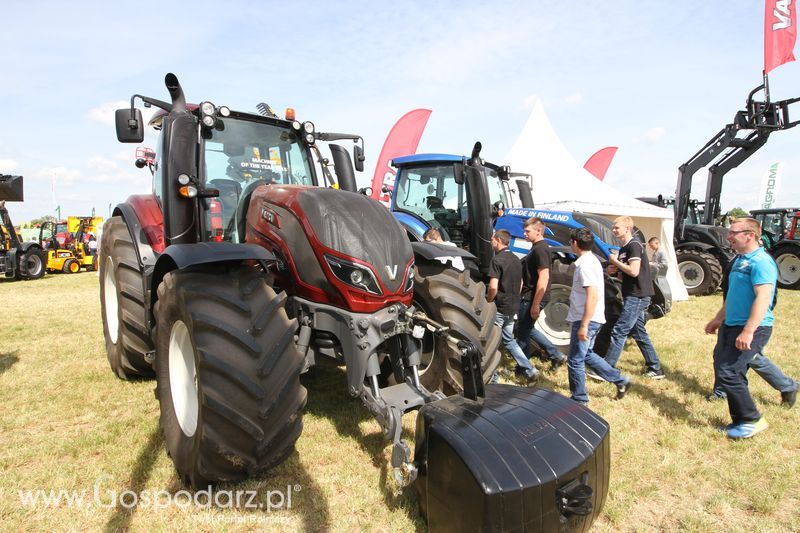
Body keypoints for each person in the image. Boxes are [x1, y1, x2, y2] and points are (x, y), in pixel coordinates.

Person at [705, 218, 792, 438]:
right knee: (729, 371)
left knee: (728, 372)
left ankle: (752, 419)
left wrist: (748, 331)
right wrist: (718, 319)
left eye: (733, 232)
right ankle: (740, 421)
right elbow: (732, 296)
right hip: (731, 325)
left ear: (750, 235)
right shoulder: (739, 260)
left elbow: (763, 297)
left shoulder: (761, 262)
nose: (729, 236)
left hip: (753, 327)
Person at [566, 227, 631, 403]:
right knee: (586, 355)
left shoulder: (585, 265)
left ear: (575, 243)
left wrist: (584, 324)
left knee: (575, 360)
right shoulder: (591, 261)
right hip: (592, 317)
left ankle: (579, 399)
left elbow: (592, 295)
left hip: (586, 318)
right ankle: (620, 380)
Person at [602, 216, 665, 379]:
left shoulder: (634, 246)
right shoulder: (623, 248)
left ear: (627, 229)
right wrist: (614, 271)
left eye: (617, 227)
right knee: (639, 333)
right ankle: (656, 368)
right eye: (614, 227)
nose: (614, 230)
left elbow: (634, 271)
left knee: (619, 330)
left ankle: (607, 369)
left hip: (638, 295)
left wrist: (615, 262)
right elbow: (627, 275)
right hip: (633, 293)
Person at [487, 229, 538, 384]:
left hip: (500, 308)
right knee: (509, 340)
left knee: (491, 342)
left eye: (491, 240)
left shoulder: (497, 260)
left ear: (497, 240)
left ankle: (493, 376)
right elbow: (521, 283)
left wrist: (488, 301)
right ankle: (529, 369)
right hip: (513, 306)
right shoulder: (516, 259)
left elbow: (493, 287)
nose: (490, 243)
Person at [516, 217, 567, 372]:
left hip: (532, 297)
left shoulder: (541, 249)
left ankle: (523, 369)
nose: (524, 233)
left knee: (523, 332)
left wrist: (536, 303)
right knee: (527, 329)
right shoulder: (536, 248)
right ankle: (555, 355)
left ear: (538, 231)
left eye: (527, 231)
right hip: (529, 296)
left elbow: (544, 277)